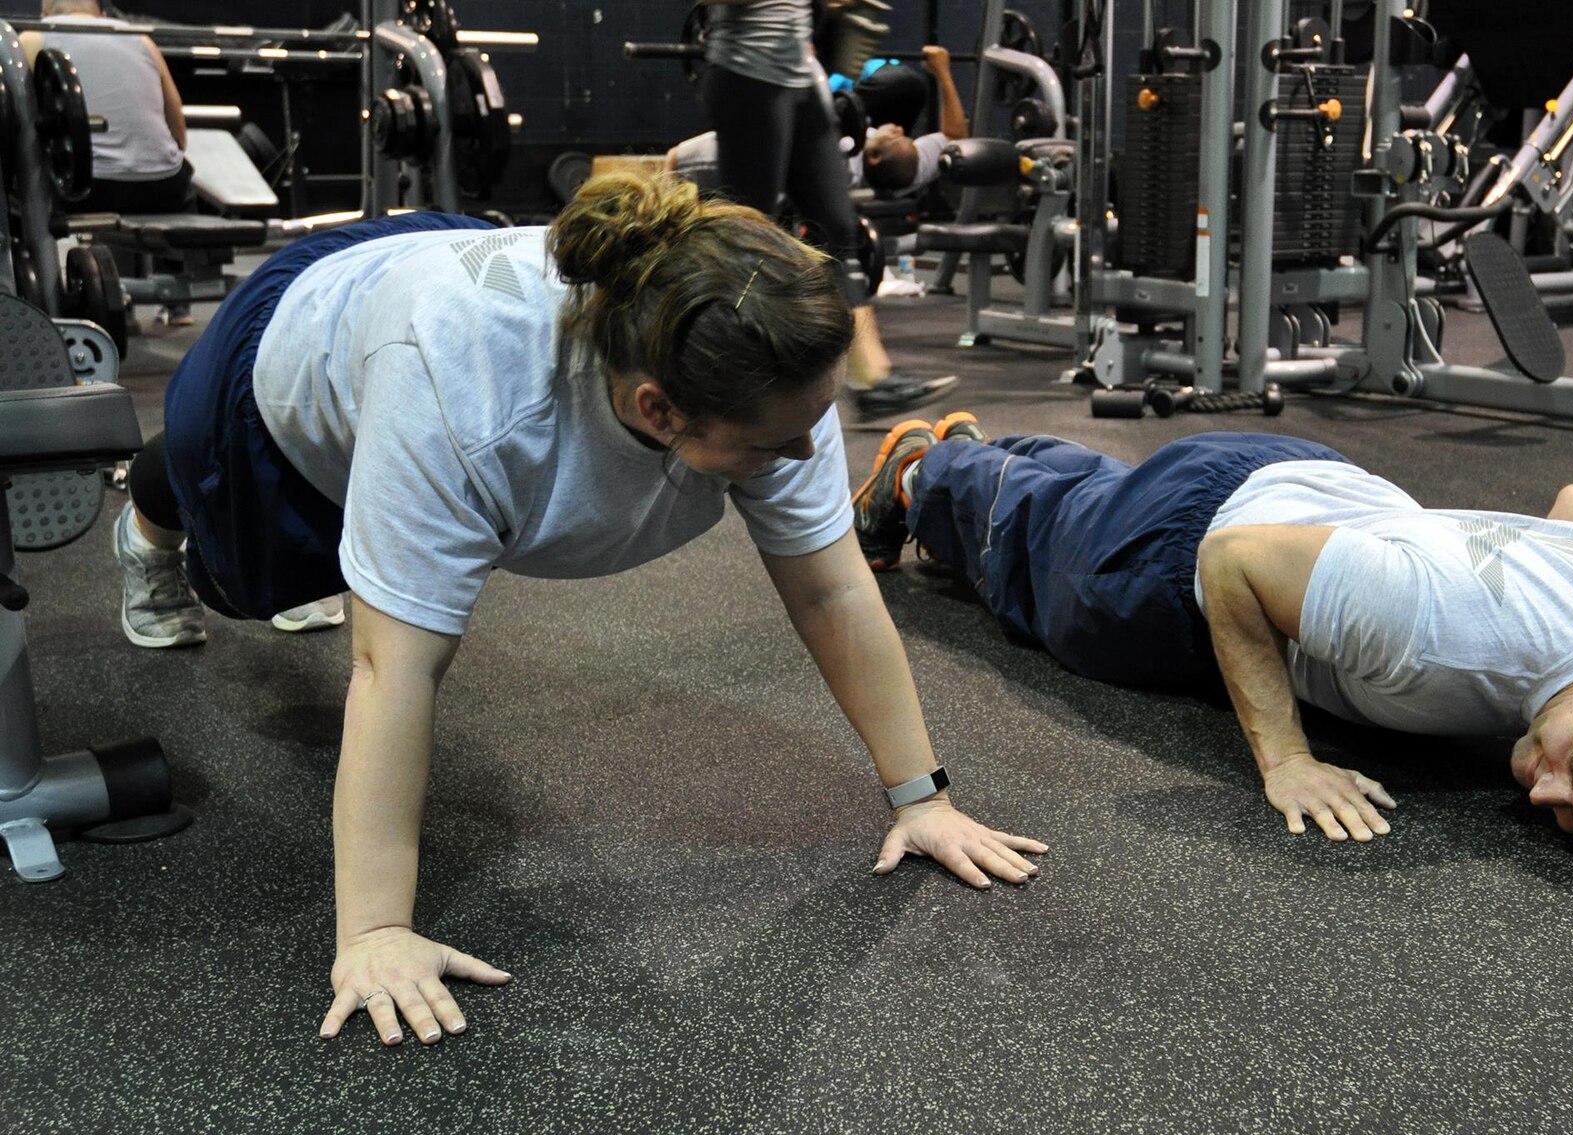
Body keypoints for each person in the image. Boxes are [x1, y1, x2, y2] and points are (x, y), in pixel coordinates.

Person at [109, 172, 1047, 1048]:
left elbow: (833, 586)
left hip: (436, 277)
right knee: (234, 574)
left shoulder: (742, 369)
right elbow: (391, 668)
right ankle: (145, 529)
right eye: (778, 439)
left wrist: (924, 800)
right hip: (287, 361)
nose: (810, 455)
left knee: (368, 574)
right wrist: (376, 931)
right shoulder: (464, 403)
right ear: (657, 409)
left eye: (817, 421)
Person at [853, 418, 1573, 848]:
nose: (1540, 791)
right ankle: (928, 471)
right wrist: (1286, 758)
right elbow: (1235, 564)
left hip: (1322, 491)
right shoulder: (1431, 630)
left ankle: (1016, 454)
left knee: (1084, 504)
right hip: (1200, 543)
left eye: (1569, 816)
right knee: (1044, 580)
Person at [698, 0, 955, 418]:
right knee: (745, 236)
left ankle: (872, 380)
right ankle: (711, 369)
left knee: (837, 228)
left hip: (801, 82)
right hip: (749, 77)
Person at [23, 0, 195, 326]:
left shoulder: (36, 36)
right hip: (163, 189)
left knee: (34, 182)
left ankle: (46, 295)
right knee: (181, 175)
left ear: (46, 12)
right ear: (102, 13)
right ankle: (179, 298)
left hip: (86, 191)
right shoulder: (141, 39)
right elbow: (180, 135)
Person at [667, 45, 968, 201]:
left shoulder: (835, 152)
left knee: (675, 160)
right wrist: (942, 72)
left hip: (767, 152)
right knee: (907, 86)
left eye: (896, 137)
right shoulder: (909, 170)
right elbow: (956, 137)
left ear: (873, 154)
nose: (901, 129)